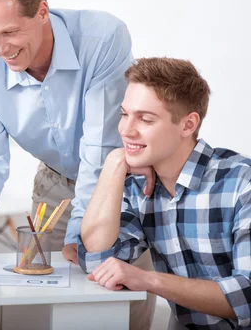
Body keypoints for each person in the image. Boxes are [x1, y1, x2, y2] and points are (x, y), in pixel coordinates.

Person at [0, 0, 155, 329]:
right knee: (41, 305)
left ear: (42, 12)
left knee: (119, 304)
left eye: (10, 32)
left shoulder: (102, 39)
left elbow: (99, 151)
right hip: (53, 189)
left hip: (120, 186)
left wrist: (81, 234)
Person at [79, 58, 251, 329]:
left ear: (188, 125)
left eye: (145, 119)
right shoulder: (138, 187)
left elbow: (247, 294)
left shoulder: (242, 182)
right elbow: (98, 259)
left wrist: (151, 280)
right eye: (125, 114)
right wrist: (113, 162)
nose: (126, 130)